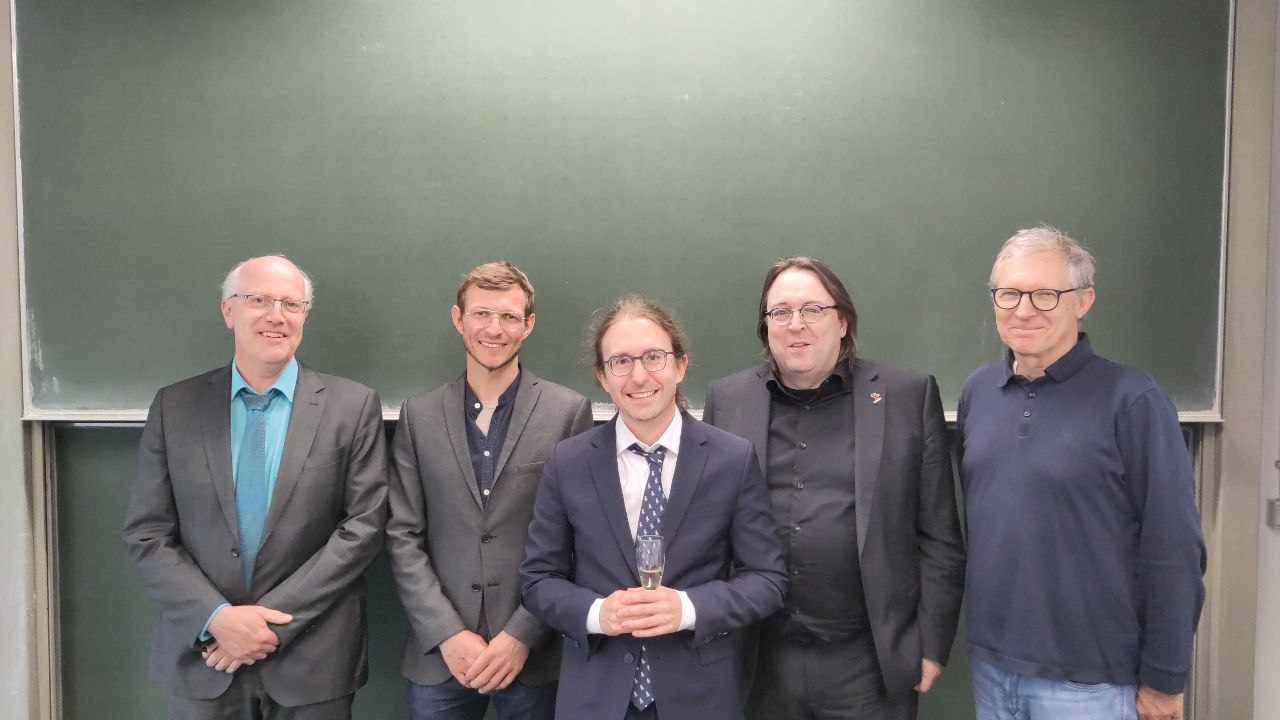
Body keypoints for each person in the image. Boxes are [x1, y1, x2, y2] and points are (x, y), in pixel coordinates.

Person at [956, 226, 1206, 720]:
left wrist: (1165, 678)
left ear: (1083, 300)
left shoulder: (1133, 400)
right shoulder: (978, 392)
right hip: (993, 669)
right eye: (1009, 294)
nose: (1023, 310)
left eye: (1045, 294)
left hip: (1091, 683)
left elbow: (1173, 548)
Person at [123, 254, 388, 718]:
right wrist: (217, 619)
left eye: (291, 303)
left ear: (304, 315)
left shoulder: (352, 406)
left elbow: (363, 529)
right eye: (259, 300)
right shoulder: (174, 407)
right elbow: (148, 534)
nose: (276, 316)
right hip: (204, 657)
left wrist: (265, 627)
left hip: (313, 660)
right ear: (229, 311)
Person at [703, 256, 965, 719]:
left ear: (842, 322)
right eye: (780, 312)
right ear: (766, 327)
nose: (795, 324)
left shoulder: (906, 396)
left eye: (812, 309)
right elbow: (708, 530)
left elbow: (940, 537)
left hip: (868, 662)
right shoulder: (728, 400)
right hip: (760, 660)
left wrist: (930, 644)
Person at [520, 295, 787, 720]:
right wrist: (597, 614)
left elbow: (768, 581)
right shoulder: (568, 463)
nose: (639, 375)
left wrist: (688, 608)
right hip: (594, 699)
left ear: (680, 366)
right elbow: (538, 580)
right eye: (620, 362)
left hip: (699, 699)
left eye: (653, 357)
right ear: (603, 377)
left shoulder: (732, 460)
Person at [387, 261, 593, 719]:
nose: (494, 329)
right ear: (458, 319)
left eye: (509, 317)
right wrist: (447, 633)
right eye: (481, 314)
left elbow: (578, 539)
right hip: (439, 656)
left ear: (528, 325)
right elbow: (402, 536)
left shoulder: (566, 412)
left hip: (534, 656)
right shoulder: (419, 416)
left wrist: (521, 634)